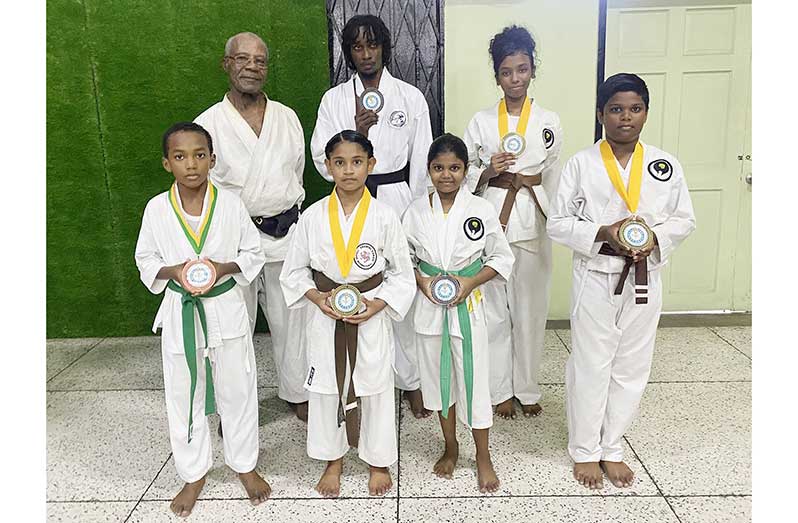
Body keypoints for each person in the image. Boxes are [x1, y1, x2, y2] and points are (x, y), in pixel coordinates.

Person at [547, 73, 696, 490]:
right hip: (597, 274)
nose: (625, 117)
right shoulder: (581, 164)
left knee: (632, 364)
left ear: (646, 112)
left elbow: (685, 219)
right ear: (601, 114)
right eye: (615, 109)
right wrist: (602, 231)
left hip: (645, 275)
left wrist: (655, 238)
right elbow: (558, 224)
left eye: (634, 108)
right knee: (591, 363)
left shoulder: (663, 165)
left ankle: (612, 446)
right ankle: (585, 450)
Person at [134, 122, 271, 516]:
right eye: (180, 156)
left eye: (199, 155)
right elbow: (145, 259)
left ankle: (245, 466)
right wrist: (174, 271)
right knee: (182, 393)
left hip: (225, 306)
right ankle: (193, 473)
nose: (190, 164)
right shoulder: (157, 209)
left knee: (238, 388)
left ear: (212, 159)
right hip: (182, 310)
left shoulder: (229, 204)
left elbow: (252, 254)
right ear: (166, 163)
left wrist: (221, 266)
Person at [280, 130, 416, 497]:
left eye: (357, 162)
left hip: (370, 311)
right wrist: (315, 297)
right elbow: (293, 272)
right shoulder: (311, 217)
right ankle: (332, 459)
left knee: (374, 384)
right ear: (328, 167)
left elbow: (402, 273)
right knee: (327, 387)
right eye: (339, 163)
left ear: (371, 165)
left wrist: (379, 303)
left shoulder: (386, 216)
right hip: (325, 312)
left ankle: (378, 459)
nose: (349, 170)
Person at [310, 15, 433, 419]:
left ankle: (411, 381)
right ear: (348, 54)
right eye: (357, 48)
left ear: (384, 48)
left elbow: (422, 156)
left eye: (372, 45)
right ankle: (363, 380)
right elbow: (319, 156)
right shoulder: (334, 100)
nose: (366, 54)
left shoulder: (410, 96)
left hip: (397, 194)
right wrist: (354, 127)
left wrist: (417, 209)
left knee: (400, 287)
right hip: (349, 197)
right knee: (358, 282)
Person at [195, 32, 308, 421]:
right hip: (232, 241)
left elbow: (297, 174)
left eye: (260, 61)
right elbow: (200, 187)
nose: (252, 67)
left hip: (285, 233)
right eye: (242, 59)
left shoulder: (287, 117)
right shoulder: (207, 124)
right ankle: (235, 408)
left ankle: (297, 392)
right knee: (233, 329)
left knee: (292, 320)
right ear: (226, 64)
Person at [403, 134, 514, 492]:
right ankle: (450, 447)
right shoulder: (416, 210)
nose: (446, 175)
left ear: (466, 171)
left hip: (468, 307)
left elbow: (501, 257)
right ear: (429, 170)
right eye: (438, 168)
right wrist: (422, 282)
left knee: (475, 381)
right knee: (438, 381)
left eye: (454, 168)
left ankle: (483, 454)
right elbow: (404, 256)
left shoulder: (480, 211)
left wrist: (470, 283)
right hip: (430, 307)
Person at [463, 25, 563, 419]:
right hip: (493, 219)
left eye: (522, 69)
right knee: (493, 312)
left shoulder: (549, 120)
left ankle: (527, 387)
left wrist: (554, 217)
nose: (515, 79)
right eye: (507, 72)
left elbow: (554, 173)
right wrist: (486, 171)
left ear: (532, 69)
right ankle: (499, 389)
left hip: (533, 220)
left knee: (531, 309)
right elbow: (465, 171)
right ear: (497, 75)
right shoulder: (482, 121)